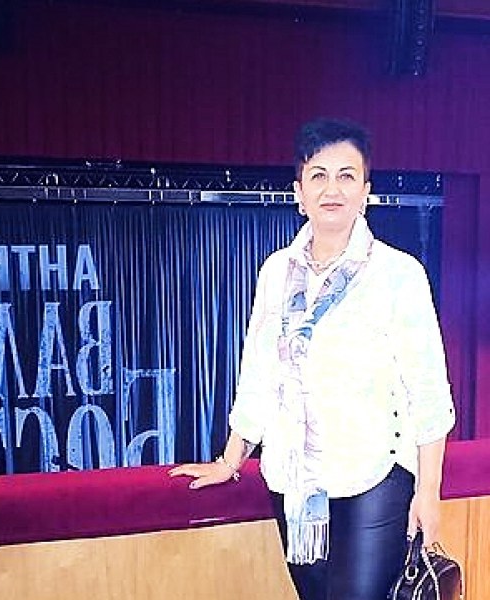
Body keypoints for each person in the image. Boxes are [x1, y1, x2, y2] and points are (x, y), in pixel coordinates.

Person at [168, 117, 456, 600]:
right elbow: (260, 374)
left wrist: (429, 492)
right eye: (318, 175)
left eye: (346, 175)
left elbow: (428, 391)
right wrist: (230, 459)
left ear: (365, 191)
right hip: (295, 481)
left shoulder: (398, 275)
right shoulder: (276, 273)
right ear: (299, 192)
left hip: (374, 474)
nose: (332, 189)